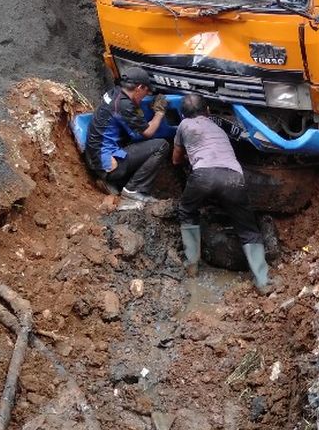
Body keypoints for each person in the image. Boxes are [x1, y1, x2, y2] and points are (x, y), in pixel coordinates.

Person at [171, 94, 270, 292]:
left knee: (187, 211)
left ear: (183, 115)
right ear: (207, 111)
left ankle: (191, 265)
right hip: (233, 177)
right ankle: (263, 281)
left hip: (203, 176)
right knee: (248, 228)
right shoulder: (218, 127)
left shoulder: (184, 126)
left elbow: (176, 159)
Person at [84, 66, 171, 203]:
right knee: (162, 145)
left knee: (132, 141)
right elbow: (148, 132)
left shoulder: (115, 94)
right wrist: (159, 113)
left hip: (94, 157)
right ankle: (133, 189)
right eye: (146, 92)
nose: (144, 97)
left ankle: (115, 182)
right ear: (139, 87)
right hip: (107, 164)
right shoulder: (124, 105)